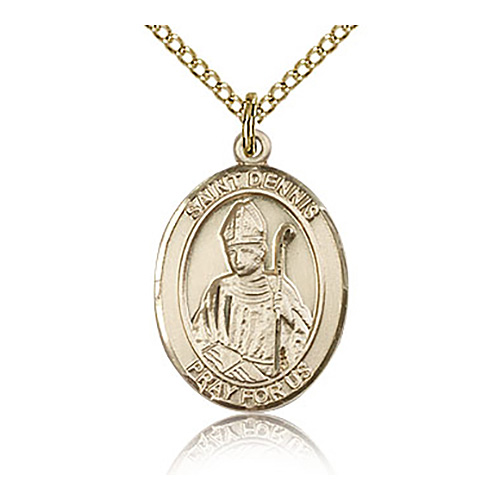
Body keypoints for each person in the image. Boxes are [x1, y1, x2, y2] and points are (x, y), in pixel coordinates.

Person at [191, 199, 312, 383]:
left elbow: (306, 338)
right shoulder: (221, 289)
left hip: (269, 377)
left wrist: (290, 316)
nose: (237, 259)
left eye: (245, 250)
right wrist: (229, 360)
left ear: (261, 251)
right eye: (232, 252)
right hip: (229, 372)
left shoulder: (279, 287)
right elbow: (199, 337)